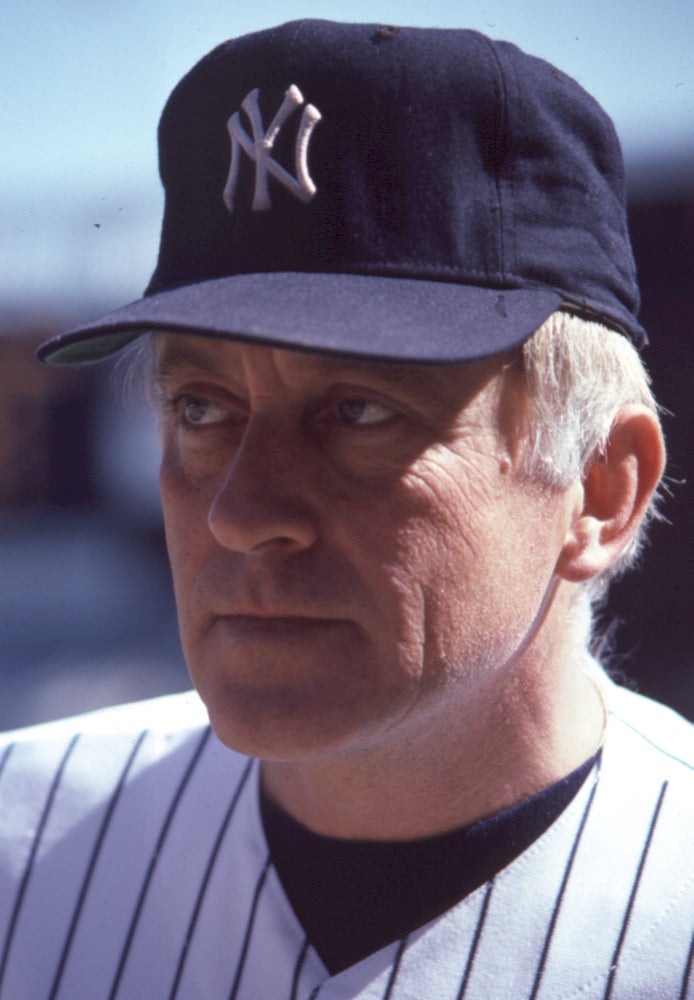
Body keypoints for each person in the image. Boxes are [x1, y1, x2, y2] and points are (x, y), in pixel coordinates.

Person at [1, 20, 691, 1000]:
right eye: (201, 407)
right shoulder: (16, 831)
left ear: (597, 487)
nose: (241, 512)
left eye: (359, 410)